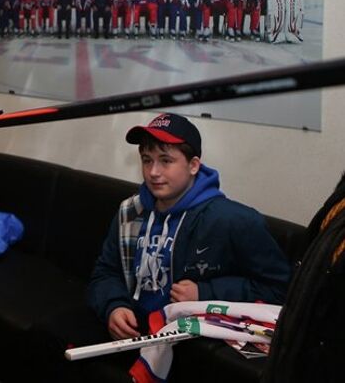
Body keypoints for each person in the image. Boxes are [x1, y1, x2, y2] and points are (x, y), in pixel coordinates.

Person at [88, 113, 290, 342]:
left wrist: (205, 293)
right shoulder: (130, 212)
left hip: (188, 340)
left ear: (193, 165)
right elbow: (105, 272)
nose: (153, 172)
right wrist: (114, 306)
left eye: (166, 160)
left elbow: (280, 290)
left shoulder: (232, 220)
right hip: (134, 330)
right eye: (147, 160)